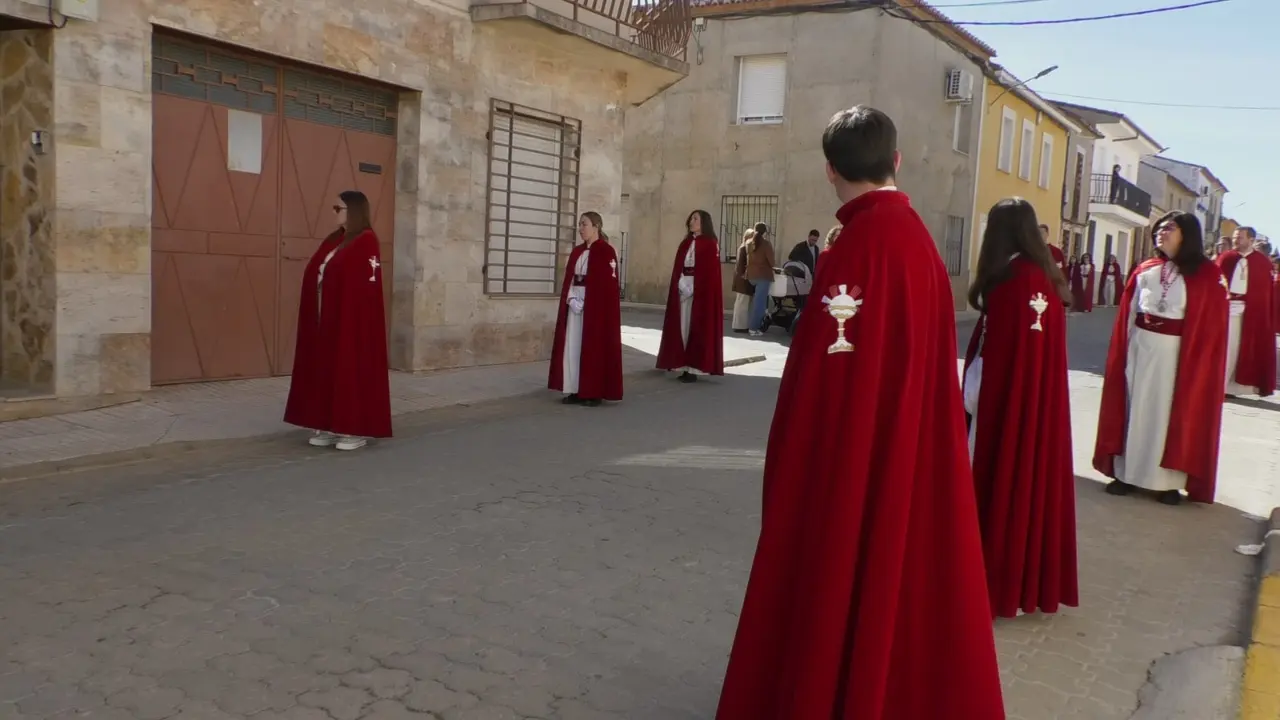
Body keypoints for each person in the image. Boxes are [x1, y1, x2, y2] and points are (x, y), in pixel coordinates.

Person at [716, 106, 1004, 720]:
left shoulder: (851, 252)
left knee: (838, 572)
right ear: (896, 162)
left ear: (829, 171)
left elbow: (815, 388)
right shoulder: (923, 246)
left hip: (845, 463)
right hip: (910, 451)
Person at [962, 199, 1077, 619]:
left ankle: (991, 579)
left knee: (999, 476)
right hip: (1012, 402)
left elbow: (1001, 354)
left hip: (1001, 404)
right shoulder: (1039, 276)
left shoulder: (1018, 281)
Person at [1094, 211, 1227, 506]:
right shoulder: (1146, 269)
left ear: (1187, 234)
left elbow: (1211, 328)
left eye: (1169, 228)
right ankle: (1126, 473)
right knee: (1134, 407)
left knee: (1167, 414)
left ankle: (1167, 482)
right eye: (1160, 228)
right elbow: (1129, 314)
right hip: (1141, 349)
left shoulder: (1207, 274)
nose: (1161, 232)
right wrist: (1124, 352)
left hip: (1178, 357)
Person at [283, 190, 392, 451]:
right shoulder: (335, 240)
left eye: (338, 208)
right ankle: (328, 423)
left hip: (351, 321)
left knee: (348, 368)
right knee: (325, 368)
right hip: (326, 317)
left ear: (353, 211)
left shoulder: (366, 241)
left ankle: (353, 428)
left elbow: (367, 286)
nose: (334, 212)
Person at [548, 212, 623, 407]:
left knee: (592, 347)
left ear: (596, 226)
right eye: (580, 225)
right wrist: (571, 298)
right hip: (576, 304)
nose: (581, 228)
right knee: (572, 346)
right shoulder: (577, 252)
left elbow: (607, 286)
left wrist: (590, 301)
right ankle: (574, 388)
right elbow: (570, 279)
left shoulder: (606, 251)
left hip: (595, 309)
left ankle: (593, 391)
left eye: (584, 224)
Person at [656, 209, 724, 382]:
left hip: (699, 293)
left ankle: (693, 367)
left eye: (695, 219)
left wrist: (695, 287)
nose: (691, 222)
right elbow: (679, 268)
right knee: (682, 326)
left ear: (704, 223)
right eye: (691, 219)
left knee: (696, 328)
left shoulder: (710, 244)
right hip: (682, 289)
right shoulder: (685, 244)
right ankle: (681, 364)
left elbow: (709, 273)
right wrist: (681, 284)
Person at [1216, 226, 1276, 397]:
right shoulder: (1225, 258)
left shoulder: (1262, 263)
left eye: (1240, 238)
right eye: (1234, 237)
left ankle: (1234, 387)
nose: (1235, 240)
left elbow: (1264, 293)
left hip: (1249, 314)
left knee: (1241, 349)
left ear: (1251, 240)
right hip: (1225, 310)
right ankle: (1218, 384)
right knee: (1224, 348)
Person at [744, 222, 776, 336]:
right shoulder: (766, 244)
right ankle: (753, 328)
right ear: (765, 232)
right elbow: (772, 262)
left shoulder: (748, 243)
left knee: (755, 302)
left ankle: (751, 325)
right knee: (760, 304)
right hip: (763, 275)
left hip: (751, 275)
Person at [731, 229, 756, 334]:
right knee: (742, 304)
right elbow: (741, 266)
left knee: (742, 304)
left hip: (743, 280)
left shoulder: (744, 247)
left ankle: (741, 325)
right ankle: (739, 326)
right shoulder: (744, 248)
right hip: (743, 280)